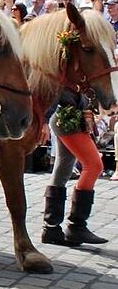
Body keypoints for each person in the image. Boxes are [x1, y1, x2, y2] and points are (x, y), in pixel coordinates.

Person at [41, 85, 108, 246]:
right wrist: (43, 120)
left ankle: (51, 228)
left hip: (72, 116)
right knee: (94, 166)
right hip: (66, 117)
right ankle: (76, 226)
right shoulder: (66, 64)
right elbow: (53, 89)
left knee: (63, 166)